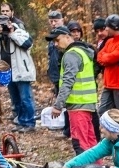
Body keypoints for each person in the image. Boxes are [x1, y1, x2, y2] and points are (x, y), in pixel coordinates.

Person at [46, 26, 98, 155]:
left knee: (80, 143)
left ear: (67, 37)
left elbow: (68, 82)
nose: (56, 44)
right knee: (91, 142)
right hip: (89, 103)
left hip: (78, 105)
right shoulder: (83, 51)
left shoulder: (71, 55)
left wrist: (58, 105)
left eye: (57, 40)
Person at [0, 14, 36, 132]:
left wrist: (11, 33)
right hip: (7, 72)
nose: (3, 27)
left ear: (10, 22)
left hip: (21, 71)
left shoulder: (20, 32)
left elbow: (27, 44)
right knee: (15, 99)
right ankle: (20, 121)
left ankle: (29, 122)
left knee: (26, 98)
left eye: (5, 24)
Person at [96, 14, 119, 119]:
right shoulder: (109, 41)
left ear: (114, 27)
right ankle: (111, 133)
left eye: (107, 26)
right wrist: (106, 59)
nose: (106, 29)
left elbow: (108, 59)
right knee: (102, 110)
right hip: (108, 84)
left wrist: (106, 58)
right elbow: (100, 56)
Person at [46, 10, 65, 96]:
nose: (53, 23)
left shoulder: (66, 36)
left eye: (56, 21)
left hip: (64, 76)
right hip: (55, 76)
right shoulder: (51, 37)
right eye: (51, 21)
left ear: (62, 21)